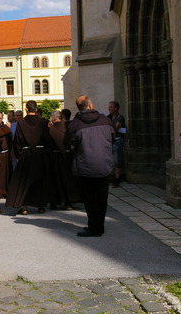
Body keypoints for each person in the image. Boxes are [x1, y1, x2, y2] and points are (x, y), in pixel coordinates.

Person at [65, 95, 115, 237]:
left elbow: (69, 144)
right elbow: (113, 137)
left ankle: (94, 227)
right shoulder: (105, 120)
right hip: (104, 164)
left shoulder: (75, 124)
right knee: (102, 196)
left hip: (85, 165)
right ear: (91, 106)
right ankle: (99, 225)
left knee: (89, 198)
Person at [6, 101, 52, 215]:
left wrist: (18, 155)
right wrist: (47, 153)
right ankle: (41, 206)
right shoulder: (43, 122)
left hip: (26, 154)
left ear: (26, 109)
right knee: (40, 180)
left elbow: (17, 140)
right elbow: (48, 139)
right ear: (36, 109)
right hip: (40, 154)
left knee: (23, 181)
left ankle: (24, 207)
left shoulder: (20, 122)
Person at [48, 110, 79, 209]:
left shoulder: (50, 129)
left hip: (54, 158)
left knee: (55, 181)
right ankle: (68, 202)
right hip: (67, 156)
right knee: (67, 180)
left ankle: (54, 202)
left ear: (53, 118)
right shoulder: (68, 127)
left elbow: (47, 143)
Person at [108, 100, 126, 187]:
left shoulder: (120, 117)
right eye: (109, 107)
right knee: (110, 160)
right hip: (110, 140)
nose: (109, 109)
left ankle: (117, 179)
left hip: (117, 140)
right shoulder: (108, 117)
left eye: (111, 107)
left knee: (117, 160)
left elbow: (115, 128)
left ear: (116, 108)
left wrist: (110, 129)